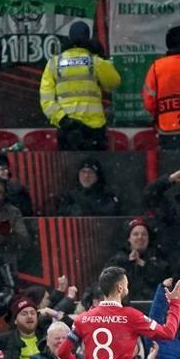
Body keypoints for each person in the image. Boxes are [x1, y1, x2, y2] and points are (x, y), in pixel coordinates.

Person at [39, 21, 120, 151]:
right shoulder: (95, 61)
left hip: (67, 129)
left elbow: (46, 100)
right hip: (94, 127)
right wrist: (103, 59)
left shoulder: (54, 63)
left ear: (69, 38)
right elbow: (114, 82)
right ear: (88, 38)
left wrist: (62, 120)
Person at [55, 157, 121, 216]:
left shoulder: (107, 196)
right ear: (78, 174)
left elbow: (111, 212)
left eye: (91, 172)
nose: (86, 175)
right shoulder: (68, 196)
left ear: (97, 176)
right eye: (83, 172)